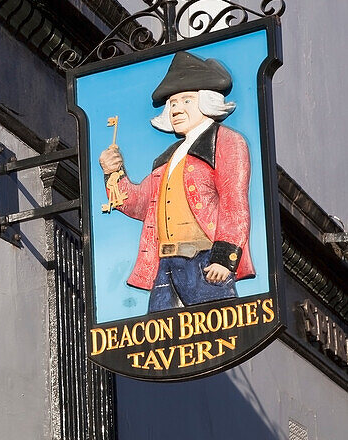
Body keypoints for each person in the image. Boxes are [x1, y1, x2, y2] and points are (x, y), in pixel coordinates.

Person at [98, 51, 253, 313]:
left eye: (186, 100)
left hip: (205, 262)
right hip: (165, 266)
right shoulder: (166, 158)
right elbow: (138, 204)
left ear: (207, 101)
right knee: (160, 346)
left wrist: (224, 258)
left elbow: (233, 202)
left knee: (217, 338)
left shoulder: (226, 142)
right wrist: (114, 173)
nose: (176, 109)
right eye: (172, 103)